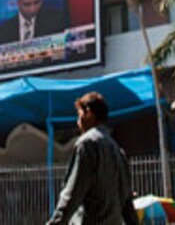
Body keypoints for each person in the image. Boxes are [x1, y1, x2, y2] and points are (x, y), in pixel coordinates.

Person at [45, 91, 138, 225]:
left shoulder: (87, 144)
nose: (78, 122)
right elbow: (127, 204)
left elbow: (71, 195)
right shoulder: (118, 151)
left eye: (79, 115)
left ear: (88, 113)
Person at [0, 0, 66, 44]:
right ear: (18, 3)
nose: (32, 9)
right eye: (27, 4)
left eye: (37, 3)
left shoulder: (56, 21)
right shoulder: (4, 31)